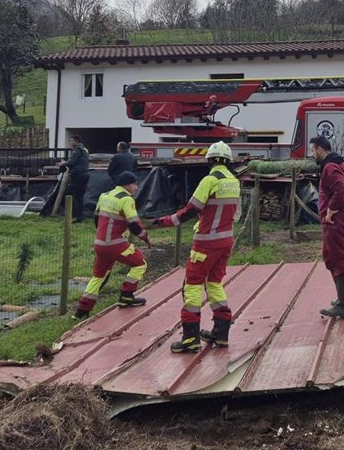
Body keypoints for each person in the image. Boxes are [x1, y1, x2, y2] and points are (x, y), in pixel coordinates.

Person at [157, 141, 240, 352]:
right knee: (214, 284)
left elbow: (191, 210)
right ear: (228, 161)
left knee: (192, 286)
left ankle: (190, 339)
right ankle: (221, 334)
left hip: (206, 243)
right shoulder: (234, 180)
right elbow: (234, 214)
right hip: (226, 241)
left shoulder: (209, 180)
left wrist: (167, 221)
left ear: (210, 160)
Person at [73, 171, 153, 319]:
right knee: (140, 263)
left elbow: (96, 218)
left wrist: (101, 235)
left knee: (99, 276)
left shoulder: (105, 196)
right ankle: (126, 297)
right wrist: (145, 238)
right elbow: (134, 224)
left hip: (100, 244)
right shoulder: (126, 200)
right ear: (128, 185)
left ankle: (82, 310)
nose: (136, 188)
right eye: (135, 184)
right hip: (115, 244)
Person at [309, 135, 344, 319]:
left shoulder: (330, 167)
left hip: (335, 219)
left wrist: (332, 208)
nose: (312, 153)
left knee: (339, 258)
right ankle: (341, 299)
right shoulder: (341, 163)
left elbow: (343, 188)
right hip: (340, 216)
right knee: (330, 256)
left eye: (313, 150)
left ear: (320, 150)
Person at [59, 134, 90, 216]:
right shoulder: (85, 149)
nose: (70, 142)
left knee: (70, 194)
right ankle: (80, 215)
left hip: (77, 174)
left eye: (72, 140)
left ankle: (72, 213)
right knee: (80, 196)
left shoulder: (76, 149)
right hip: (85, 174)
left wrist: (63, 163)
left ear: (76, 141)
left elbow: (71, 162)